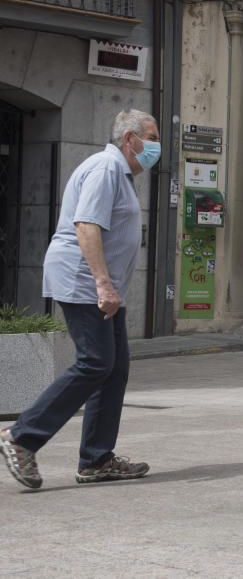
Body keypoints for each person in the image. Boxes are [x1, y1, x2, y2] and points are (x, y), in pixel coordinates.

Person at [1, 109, 160, 490]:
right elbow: (86, 226)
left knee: (114, 368)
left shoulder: (120, 173)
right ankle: (22, 437)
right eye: (152, 138)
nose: (156, 147)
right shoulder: (107, 168)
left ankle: (96, 459)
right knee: (95, 363)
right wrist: (103, 284)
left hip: (102, 286)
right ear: (129, 139)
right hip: (84, 281)